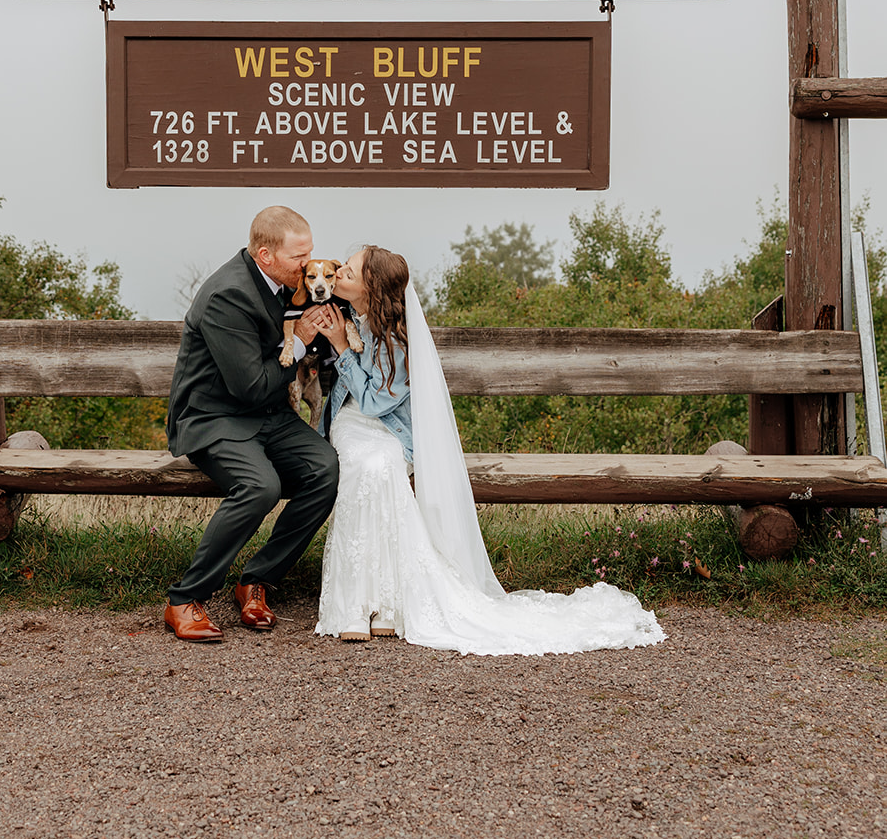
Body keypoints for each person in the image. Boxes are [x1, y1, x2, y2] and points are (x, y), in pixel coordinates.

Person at [314, 246, 665, 656]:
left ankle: (388, 600)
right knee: (367, 463)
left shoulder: (401, 340)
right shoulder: (347, 311)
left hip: (388, 426)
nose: (338, 274)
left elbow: (377, 402)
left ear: (371, 286)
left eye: (348, 272)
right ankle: (358, 602)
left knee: (384, 463)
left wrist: (341, 348)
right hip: (352, 423)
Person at [164, 206, 340, 642]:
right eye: (300, 258)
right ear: (265, 255)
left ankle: (257, 579)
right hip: (215, 417)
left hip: (268, 415)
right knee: (261, 486)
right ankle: (185, 598)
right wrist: (300, 342)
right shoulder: (228, 295)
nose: (308, 266)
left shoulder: (288, 285)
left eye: (311, 254)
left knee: (326, 469)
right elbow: (250, 386)